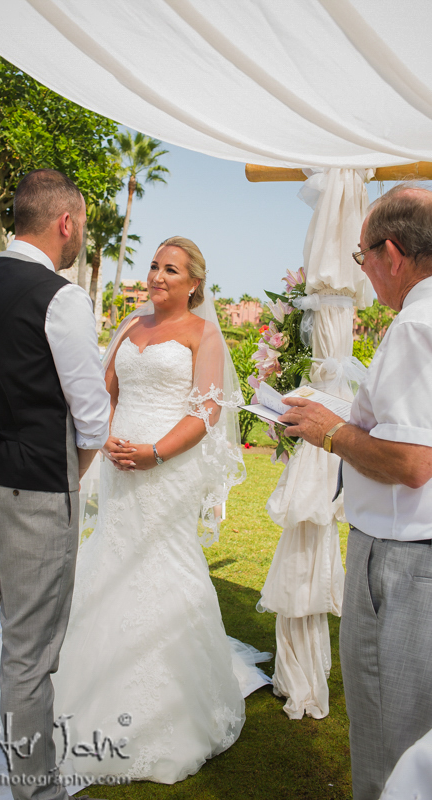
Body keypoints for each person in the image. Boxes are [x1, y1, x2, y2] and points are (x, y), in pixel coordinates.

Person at [48, 236, 272, 784]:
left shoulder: (204, 334)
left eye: (170, 269)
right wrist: (106, 444)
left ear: (194, 281)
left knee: (165, 562)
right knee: (110, 557)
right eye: (153, 266)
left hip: (168, 469)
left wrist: (154, 453)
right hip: (119, 466)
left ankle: (173, 702)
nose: (157, 276)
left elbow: (207, 413)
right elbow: (104, 394)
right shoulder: (130, 326)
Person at [0, 169, 110, 799]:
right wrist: (66, 479)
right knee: (30, 648)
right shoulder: (62, 297)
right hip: (33, 485)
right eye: (82, 224)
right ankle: (36, 788)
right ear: (66, 223)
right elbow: (92, 418)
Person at [278, 184, 432, 800]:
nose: (362, 270)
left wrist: (330, 430)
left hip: (403, 559)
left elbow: (414, 461)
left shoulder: (415, 327)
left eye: (361, 256)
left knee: (393, 739)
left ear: (391, 254)